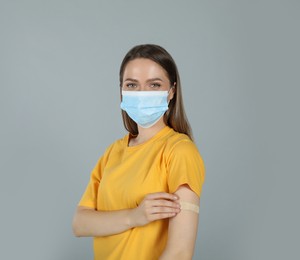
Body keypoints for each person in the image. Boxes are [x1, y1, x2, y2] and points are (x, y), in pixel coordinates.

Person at [72, 44, 205, 260]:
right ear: (122, 91)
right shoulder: (113, 152)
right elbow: (80, 223)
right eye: (132, 85)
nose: (142, 94)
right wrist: (135, 216)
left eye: (154, 85)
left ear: (171, 91)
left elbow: (180, 252)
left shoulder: (179, 151)